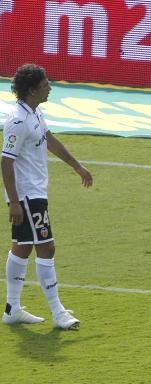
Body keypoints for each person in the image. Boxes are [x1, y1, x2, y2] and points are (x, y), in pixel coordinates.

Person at [3, 63, 93, 330]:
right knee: (47, 247)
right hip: (28, 195)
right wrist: (15, 201)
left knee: (23, 246)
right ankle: (58, 312)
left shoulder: (35, 112)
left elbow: (49, 139)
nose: (50, 87)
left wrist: (76, 165)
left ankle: (12, 308)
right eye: (45, 85)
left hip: (35, 192)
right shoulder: (17, 121)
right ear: (32, 90)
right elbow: (5, 162)